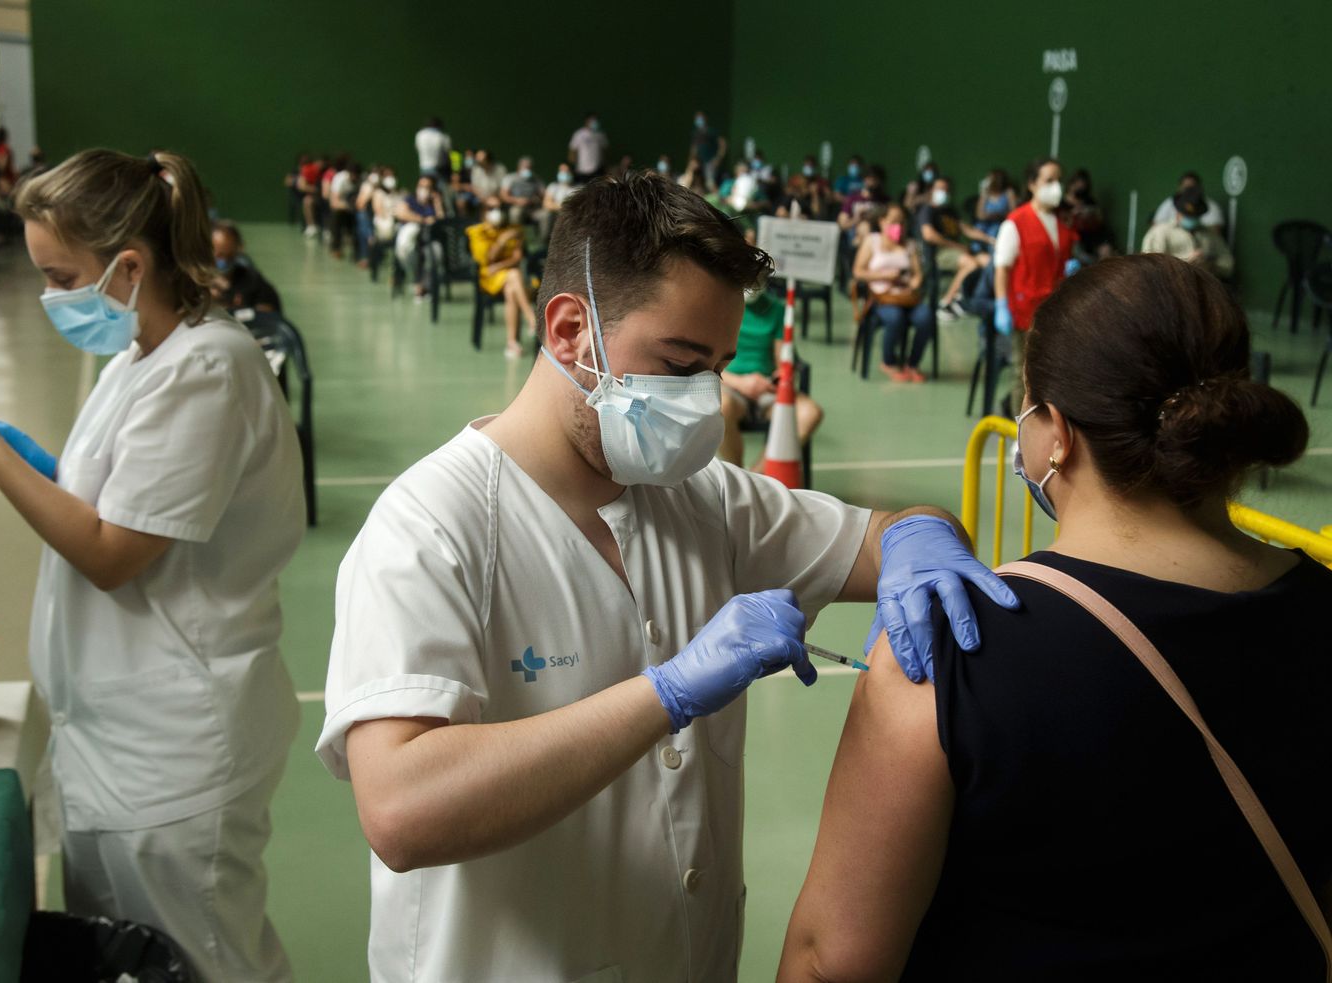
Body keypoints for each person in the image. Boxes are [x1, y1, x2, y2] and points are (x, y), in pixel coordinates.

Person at [318, 171, 1019, 982]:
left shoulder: (703, 499)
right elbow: (402, 810)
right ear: (571, 328)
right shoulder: (431, 530)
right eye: (679, 362)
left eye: (716, 367)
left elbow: (879, 536)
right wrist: (669, 691)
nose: (703, 398)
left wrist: (924, 533)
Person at [777, 254, 1330, 982]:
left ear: (1056, 434)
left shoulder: (944, 656)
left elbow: (831, 962)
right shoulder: (1318, 600)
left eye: (1027, 404)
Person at [0, 149, 304, 983]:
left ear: (127, 265)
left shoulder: (207, 367)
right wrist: (28, 459)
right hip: (117, 737)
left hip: (176, 742)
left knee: (204, 963)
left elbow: (111, 552)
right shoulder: (142, 356)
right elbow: (106, 497)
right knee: (128, 959)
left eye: (59, 275)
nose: (50, 297)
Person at [994, 157, 1077, 410]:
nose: (1056, 186)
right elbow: (1002, 267)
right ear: (1032, 184)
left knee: (1052, 373)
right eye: (1049, 180)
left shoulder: (1061, 225)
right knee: (1025, 373)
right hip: (1025, 308)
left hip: (1055, 308)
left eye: (1059, 180)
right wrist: (1001, 304)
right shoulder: (1015, 222)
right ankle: (1020, 436)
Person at [719, 286, 823, 465]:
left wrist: (782, 375)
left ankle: (757, 479)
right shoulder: (717, 305)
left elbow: (782, 359)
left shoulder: (777, 310)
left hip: (767, 388)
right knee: (719, 408)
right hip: (728, 384)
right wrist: (740, 383)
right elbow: (704, 364)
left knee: (810, 413)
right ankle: (737, 479)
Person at [855, 202, 935, 382]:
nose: (897, 226)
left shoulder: (910, 244)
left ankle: (912, 364)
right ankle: (888, 362)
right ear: (882, 221)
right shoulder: (872, 241)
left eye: (901, 222)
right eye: (893, 221)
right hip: (881, 298)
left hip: (907, 297)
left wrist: (914, 283)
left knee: (926, 317)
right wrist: (883, 275)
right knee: (894, 317)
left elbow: (917, 274)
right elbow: (858, 271)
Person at [465, 195, 536, 358]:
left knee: (512, 287)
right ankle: (531, 318)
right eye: (491, 208)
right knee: (514, 275)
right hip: (488, 279)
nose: (496, 212)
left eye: (500, 208)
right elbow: (485, 259)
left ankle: (512, 343)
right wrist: (502, 242)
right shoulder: (477, 232)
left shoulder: (514, 230)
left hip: (508, 278)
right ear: (484, 212)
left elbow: (517, 258)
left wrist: (498, 266)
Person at [916, 176, 992, 320]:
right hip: (938, 253)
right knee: (971, 263)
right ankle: (946, 303)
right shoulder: (927, 210)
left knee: (987, 260)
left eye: (946, 189)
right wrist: (957, 246)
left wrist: (990, 239)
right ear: (932, 190)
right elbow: (929, 235)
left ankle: (971, 299)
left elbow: (967, 229)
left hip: (957, 251)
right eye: (940, 188)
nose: (943, 192)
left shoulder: (950, 211)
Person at [1143, 186, 1234, 280]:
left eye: (1195, 216)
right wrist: (1184, 264)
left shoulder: (1210, 235)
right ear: (1178, 213)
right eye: (1187, 215)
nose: (1191, 219)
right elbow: (1148, 267)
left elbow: (1228, 264)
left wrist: (1210, 265)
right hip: (1169, 290)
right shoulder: (1160, 232)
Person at [212, 220, 283, 314]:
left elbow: (270, 314)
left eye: (230, 255)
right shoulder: (197, 283)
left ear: (238, 250)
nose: (224, 261)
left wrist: (239, 310)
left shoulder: (253, 280)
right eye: (219, 255)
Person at [394, 172, 444, 299]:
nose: (424, 189)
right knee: (407, 249)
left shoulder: (435, 202)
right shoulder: (410, 199)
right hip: (411, 237)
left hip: (430, 239)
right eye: (421, 186)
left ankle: (425, 287)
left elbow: (441, 219)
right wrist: (422, 219)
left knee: (436, 253)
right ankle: (416, 282)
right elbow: (400, 213)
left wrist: (437, 202)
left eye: (428, 187)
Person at [1063, 168, 1115, 260]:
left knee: (1106, 250)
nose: (1081, 186)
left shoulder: (1089, 201)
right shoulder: (1062, 204)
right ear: (1071, 184)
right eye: (1078, 183)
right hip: (1074, 237)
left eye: (1083, 184)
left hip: (1091, 236)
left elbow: (1099, 220)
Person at [1151, 171, 1224, 229]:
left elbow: (1215, 231)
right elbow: (1155, 225)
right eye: (1186, 187)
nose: (1189, 190)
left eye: (1192, 187)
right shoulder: (1170, 202)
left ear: (1199, 188)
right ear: (1179, 188)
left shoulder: (1211, 206)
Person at [973, 168, 1018, 248]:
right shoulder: (985, 193)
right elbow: (979, 215)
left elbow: (1014, 213)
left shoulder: (1009, 192)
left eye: (989, 178)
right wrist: (989, 216)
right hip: (985, 225)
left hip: (1001, 225)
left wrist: (1000, 216)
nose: (987, 180)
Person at [326, 157, 359, 260]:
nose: (353, 177)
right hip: (341, 208)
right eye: (351, 174)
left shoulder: (361, 179)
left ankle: (358, 252)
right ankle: (336, 248)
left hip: (354, 209)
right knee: (336, 216)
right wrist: (348, 206)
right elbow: (334, 202)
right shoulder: (339, 178)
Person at [500, 156, 543, 227]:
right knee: (516, 213)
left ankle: (543, 238)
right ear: (518, 167)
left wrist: (535, 199)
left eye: (529, 167)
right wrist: (517, 200)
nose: (527, 169)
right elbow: (503, 195)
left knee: (545, 215)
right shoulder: (510, 178)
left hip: (533, 209)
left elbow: (543, 195)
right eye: (524, 167)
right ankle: (516, 236)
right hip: (516, 207)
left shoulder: (536, 179)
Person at [688, 110, 728, 187]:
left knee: (710, 183)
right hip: (698, 162)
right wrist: (691, 161)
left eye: (700, 118)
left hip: (709, 162)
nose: (699, 120)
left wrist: (717, 159)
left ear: (705, 119)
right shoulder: (695, 133)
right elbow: (694, 149)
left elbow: (723, 144)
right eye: (697, 118)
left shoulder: (711, 131)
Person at [568, 111, 608, 183]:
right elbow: (572, 151)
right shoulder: (579, 134)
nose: (594, 122)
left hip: (597, 170)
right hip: (581, 170)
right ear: (586, 121)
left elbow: (604, 151)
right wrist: (573, 167)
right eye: (592, 120)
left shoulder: (600, 135)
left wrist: (603, 166)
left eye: (596, 120)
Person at [540, 162, 576, 240]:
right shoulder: (553, 186)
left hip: (569, 215)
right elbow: (546, 203)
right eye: (561, 171)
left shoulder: (577, 188)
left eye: (566, 171)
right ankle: (544, 241)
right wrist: (562, 206)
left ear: (572, 172)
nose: (564, 173)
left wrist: (558, 206)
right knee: (546, 215)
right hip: (554, 214)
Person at [296, 154, 324, 238]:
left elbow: (302, 186)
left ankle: (313, 226)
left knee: (307, 201)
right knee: (307, 201)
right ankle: (311, 226)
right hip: (315, 195)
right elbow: (301, 186)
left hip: (322, 195)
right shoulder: (305, 170)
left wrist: (317, 190)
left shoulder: (309, 169)